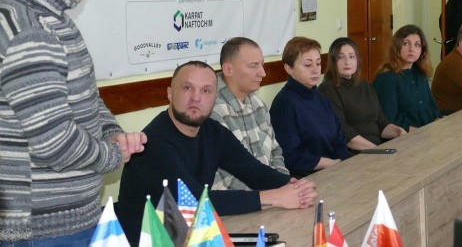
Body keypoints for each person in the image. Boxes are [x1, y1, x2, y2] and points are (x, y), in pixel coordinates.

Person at [0, 0, 146, 244]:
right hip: (44, 228)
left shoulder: (49, 19)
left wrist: (111, 132)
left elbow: (85, 98)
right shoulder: (31, 31)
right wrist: (112, 155)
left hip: (66, 220)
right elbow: (56, 142)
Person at [116, 61, 317, 243]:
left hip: (190, 235)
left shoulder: (212, 131)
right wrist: (275, 197)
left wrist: (294, 186)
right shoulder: (153, 143)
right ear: (170, 93)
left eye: (206, 91)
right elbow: (195, 201)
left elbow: (253, 171)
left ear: (215, 97)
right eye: (187, 88)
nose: (196, 98)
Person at [210, 37, 289, 193]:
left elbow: (275, 152)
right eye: (253, 66)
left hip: (272, 193)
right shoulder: (212, 110)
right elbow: (219, 175)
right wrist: (268, 195)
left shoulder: (258, 104)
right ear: (228, 69)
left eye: (262, 65)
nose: (263, 73)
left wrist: (283, 182)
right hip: (241, 201)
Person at [271, 37, 350, 176]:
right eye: (308, 65)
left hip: (335, 168)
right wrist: (331, 164)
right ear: (289, 68)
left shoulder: (321, 97)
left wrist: (342, 162)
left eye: (318, 63)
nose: (316, 70)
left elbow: (339, 139)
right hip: (307, 176)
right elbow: (290, 156)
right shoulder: (284, 104)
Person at [318, 37, 406, 151]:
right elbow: (344, 133)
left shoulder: (365, 85)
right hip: (352, 153)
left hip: (376, 148)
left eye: (351, 56)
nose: (347, 62)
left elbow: (381, 122)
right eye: (341, 57)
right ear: (333, 61)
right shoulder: (327, 89)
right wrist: (379, 151)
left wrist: (399, 132)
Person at [373, 25, 442, 130]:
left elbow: (432, 107)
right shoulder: (386, 78)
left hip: (427, 131)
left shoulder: (420, 73)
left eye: (417, 45)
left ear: (422, 49)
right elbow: (388, 119)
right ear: (397, 46)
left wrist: (438, 120)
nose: (412, 49)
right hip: (405, 135)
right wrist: (413, 130)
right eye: (406, 43)